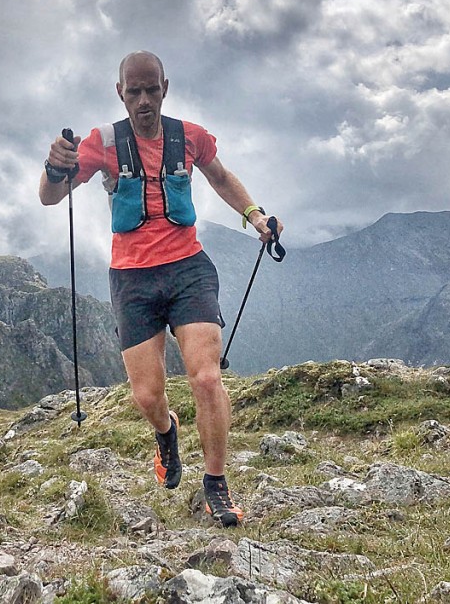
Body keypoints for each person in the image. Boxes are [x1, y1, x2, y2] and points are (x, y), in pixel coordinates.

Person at [38, 50, 283, 527]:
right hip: (132, 278)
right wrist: (53, 166)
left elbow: (220, 176)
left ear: (165, 88)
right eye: (135, 92)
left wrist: (256, 216)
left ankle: (216, 484)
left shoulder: (189, 136)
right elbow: (51, 197)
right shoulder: (103, 143)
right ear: (120, 93)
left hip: (188, 268)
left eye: (152, 89)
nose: (144, 100)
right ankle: (167, 433)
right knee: (148, 396)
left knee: (206, 378)